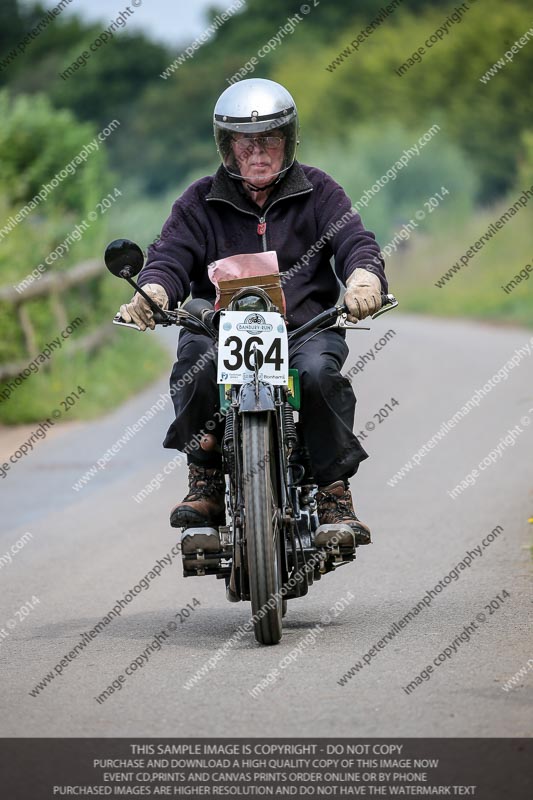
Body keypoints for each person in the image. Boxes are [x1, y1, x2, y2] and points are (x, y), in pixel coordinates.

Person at [120, 78, 387, 547]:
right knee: (196, 363)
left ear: (288, 141)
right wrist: (154, 292)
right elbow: (169, 256)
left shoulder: (320, 191)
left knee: (320, 375)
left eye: (270, 141)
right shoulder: (199, 200)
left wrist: (365, 278)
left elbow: (354, 241)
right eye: (247, 144)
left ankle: (333, 492)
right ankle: (204, 477)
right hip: (221, 327)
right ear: (228, 147)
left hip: (303, 328)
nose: (259, 154)